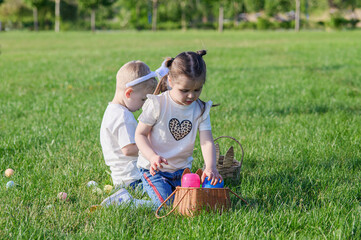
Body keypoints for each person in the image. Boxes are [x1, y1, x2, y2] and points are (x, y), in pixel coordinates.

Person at [135, 50, 223, 207]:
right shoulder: (158, 104)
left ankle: (152, 190)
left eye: (197, 90)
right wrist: (152, 157)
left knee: (196, 203)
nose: (191, 96)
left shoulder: (201, 109)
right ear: (170, 81)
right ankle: (132, 199)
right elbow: (140, 134)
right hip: (154, 171)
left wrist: (210, 167)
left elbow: (206, 141)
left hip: (182, 172)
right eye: (185, 90)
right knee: (168, 205)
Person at [99, 60, 169, 207]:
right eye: (143, 99)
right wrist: (152, 147)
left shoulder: (112, 110)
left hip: (122, 178)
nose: (144, 104)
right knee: (165, 197)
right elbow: (128, 149)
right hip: (134, 179)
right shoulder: (123, 117)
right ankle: (127, 202)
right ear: (129, 93)